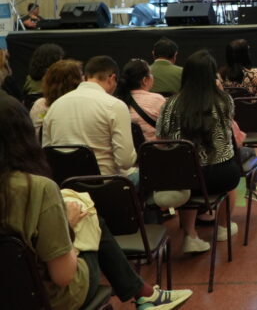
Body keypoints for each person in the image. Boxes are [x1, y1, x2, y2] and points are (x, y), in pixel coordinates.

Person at [0, 95, 193, 310]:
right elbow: (63, 276)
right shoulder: (38, 188)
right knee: (91, 217)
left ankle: (144, 294)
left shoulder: (52, 110)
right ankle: (144, 295)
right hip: (46, 299)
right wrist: (69, 227)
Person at [156, 50, 241, 254]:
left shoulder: (169, 104)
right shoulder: (224, 101)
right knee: (231, 166)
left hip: (185, 177)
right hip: (221, 175)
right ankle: (222, 227)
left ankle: (190, 235)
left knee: (188, 177)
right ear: (213, 75)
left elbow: (160, 140)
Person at [43, 56, 138, 183]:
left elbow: (47, 152)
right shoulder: (115, 105)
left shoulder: (55, 106)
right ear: (112, 78)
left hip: (66, 184)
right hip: (106, 184)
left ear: (86, 76)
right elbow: (125, 162)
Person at [114, 58, 166, 142]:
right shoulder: (157, 100)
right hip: (154, 152)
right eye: (151, 74)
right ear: (145, 80)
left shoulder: (116, 101)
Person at [29, 59, 83, 137]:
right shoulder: (82, 106)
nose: (84, 79)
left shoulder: (39, 105)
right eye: (81, 75)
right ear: (75, 82)